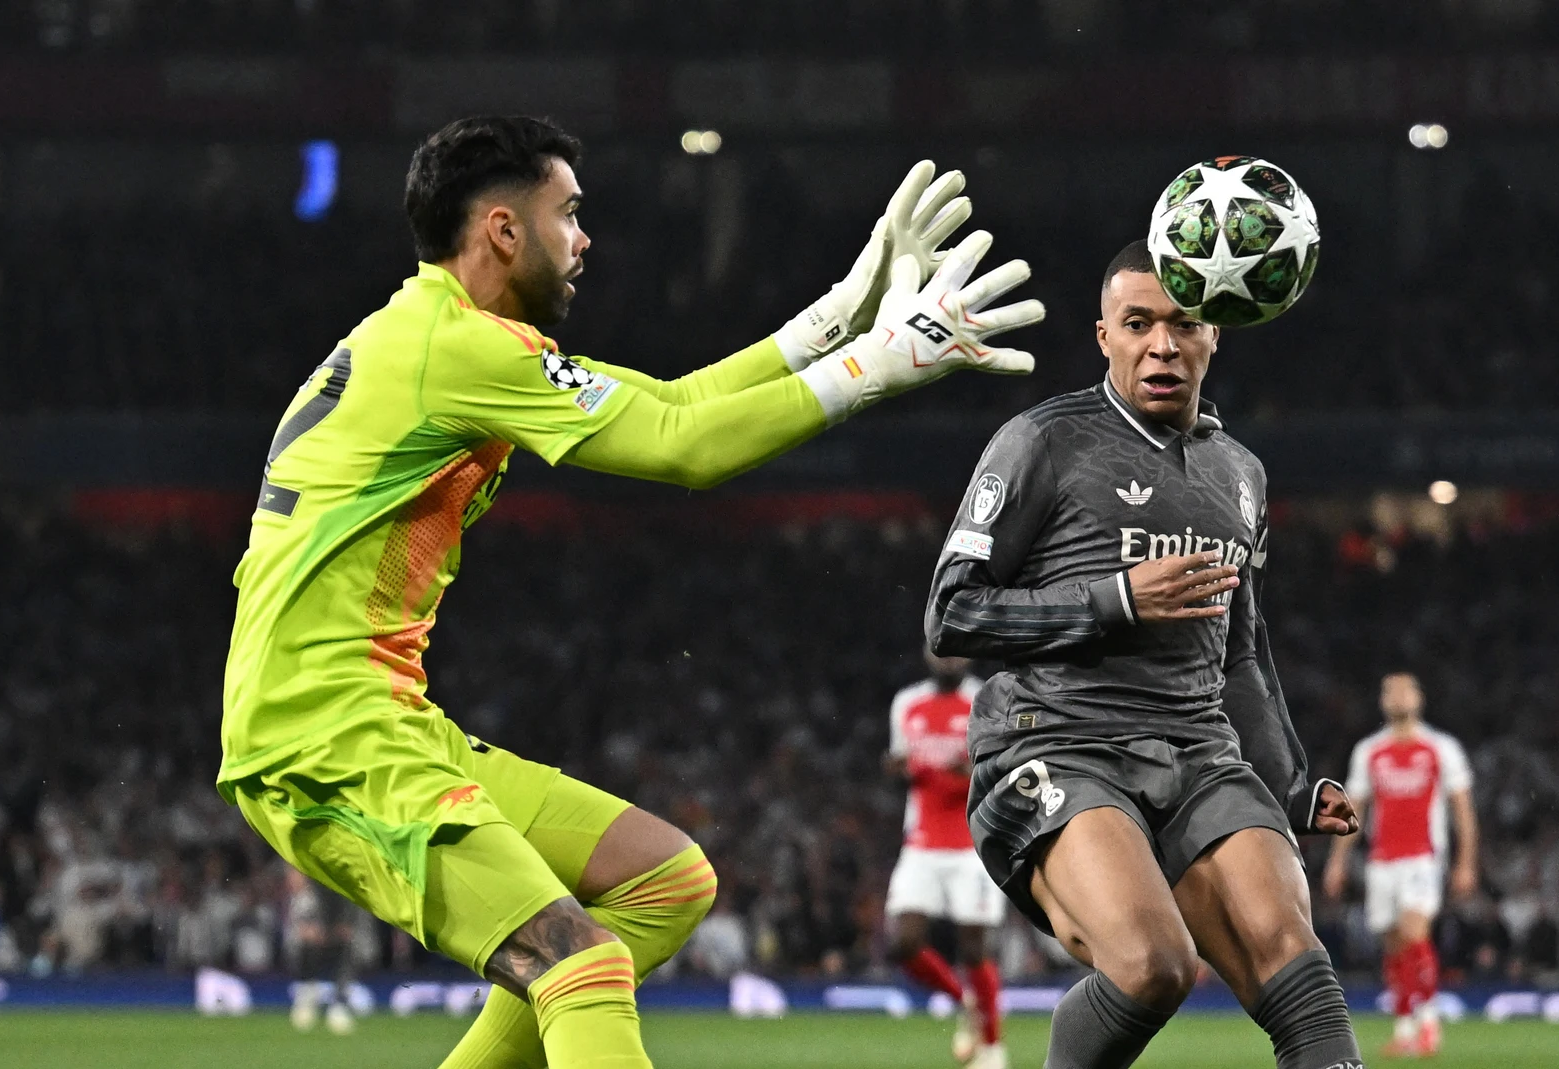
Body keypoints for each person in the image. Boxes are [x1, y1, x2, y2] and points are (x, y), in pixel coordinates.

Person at [216, 114, 1043, 1069]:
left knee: (662, 879)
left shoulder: (440, 337)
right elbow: (685, 450)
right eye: (569, 214)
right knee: (580, 969)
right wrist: (879, 366)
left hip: (372, 719)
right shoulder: (460, 350)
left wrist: (840, 317)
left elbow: (674, 406)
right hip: (324, 736)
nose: (585, 240)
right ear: (501, 229)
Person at [926, 239, 1364, 1069]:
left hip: (1198, 749)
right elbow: (951, 614)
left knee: (1297, 962)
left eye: (1183, 322)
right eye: (1138, 324)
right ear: (1104, 336)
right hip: (1056, 740)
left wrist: (1294, 786)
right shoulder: (1041, 442)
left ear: (1214, 335)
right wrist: (1116, 598)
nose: (1161, 343)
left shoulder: (1240, 471)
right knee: (1153, 964)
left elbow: (1241, 653)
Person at [1324, 671, 1477, 1058]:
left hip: (1423, 857)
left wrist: (1466, 862)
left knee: (1414, 932)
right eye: (1390, 690)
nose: (1398, 696)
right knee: (1393, 946)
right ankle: (1405, 1027)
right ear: (1382, 701)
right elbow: (1354, 809)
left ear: (1419, 698)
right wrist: (1337, 861)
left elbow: (1462, 811)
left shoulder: (1441, 748)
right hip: (1381, 862)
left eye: (1406, 689)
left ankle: (1429, 1024)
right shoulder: (1369, 751)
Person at [883, 648, 1006, 1069]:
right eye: (942, 653)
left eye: (957, 655)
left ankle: (991, 1049)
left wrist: (963, 772)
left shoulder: (985, 699)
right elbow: (899, 759)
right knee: (902, 943)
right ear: (927, 654)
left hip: (973, 842)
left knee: (974, 949)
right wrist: (900, 767)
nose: (949, 661)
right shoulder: (907, 702)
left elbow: (996, 767)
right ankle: (964, 1002)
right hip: (920, 841)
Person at [285, 866, 362, 1035]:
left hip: (340, 894)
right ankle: (306, 996)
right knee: (306, 939)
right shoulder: (305, 894)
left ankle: (339, 1003)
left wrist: (338, 926)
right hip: (314, 895)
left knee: (346, 941)